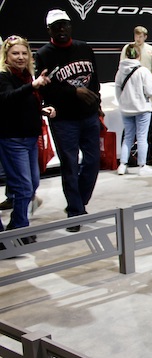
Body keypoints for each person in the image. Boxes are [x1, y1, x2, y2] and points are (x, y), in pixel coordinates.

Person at [35, 9, 102, 232]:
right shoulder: (44, 54)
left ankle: (79, 202)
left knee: (93, 162)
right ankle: (75, 212)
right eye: (56, 26)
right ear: (49, 30)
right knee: (70, 166)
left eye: (64, 25)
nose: (61, 29)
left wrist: (97, 104)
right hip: (64, 120)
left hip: (89, 116)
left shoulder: (84, 47)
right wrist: (74, 92)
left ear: (70, 26)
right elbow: (47, 89)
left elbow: (95, 79)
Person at [0, 35, 56, 242]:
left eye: (24, 53)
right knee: (23, 187)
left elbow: (22, 103)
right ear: (6, 56)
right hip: (13, 140)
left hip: (29, 139)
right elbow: (7, 99)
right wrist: (33, 87)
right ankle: (19, 229)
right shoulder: (4, 77)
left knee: (31, 185)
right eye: (15, 53)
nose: (21, 57)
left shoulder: (26, 77)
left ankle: (17, 225)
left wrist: (42, 109)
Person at [114, 43, 152, 176]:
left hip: (126, 109)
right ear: (139, 55)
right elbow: (150, 90)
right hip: (142, 108)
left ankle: (122, 165)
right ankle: (142, 165)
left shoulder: (120, 71)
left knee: (128, 137)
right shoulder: (143, 71)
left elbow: (117, 90)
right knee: (142, 137)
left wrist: (123, 102)